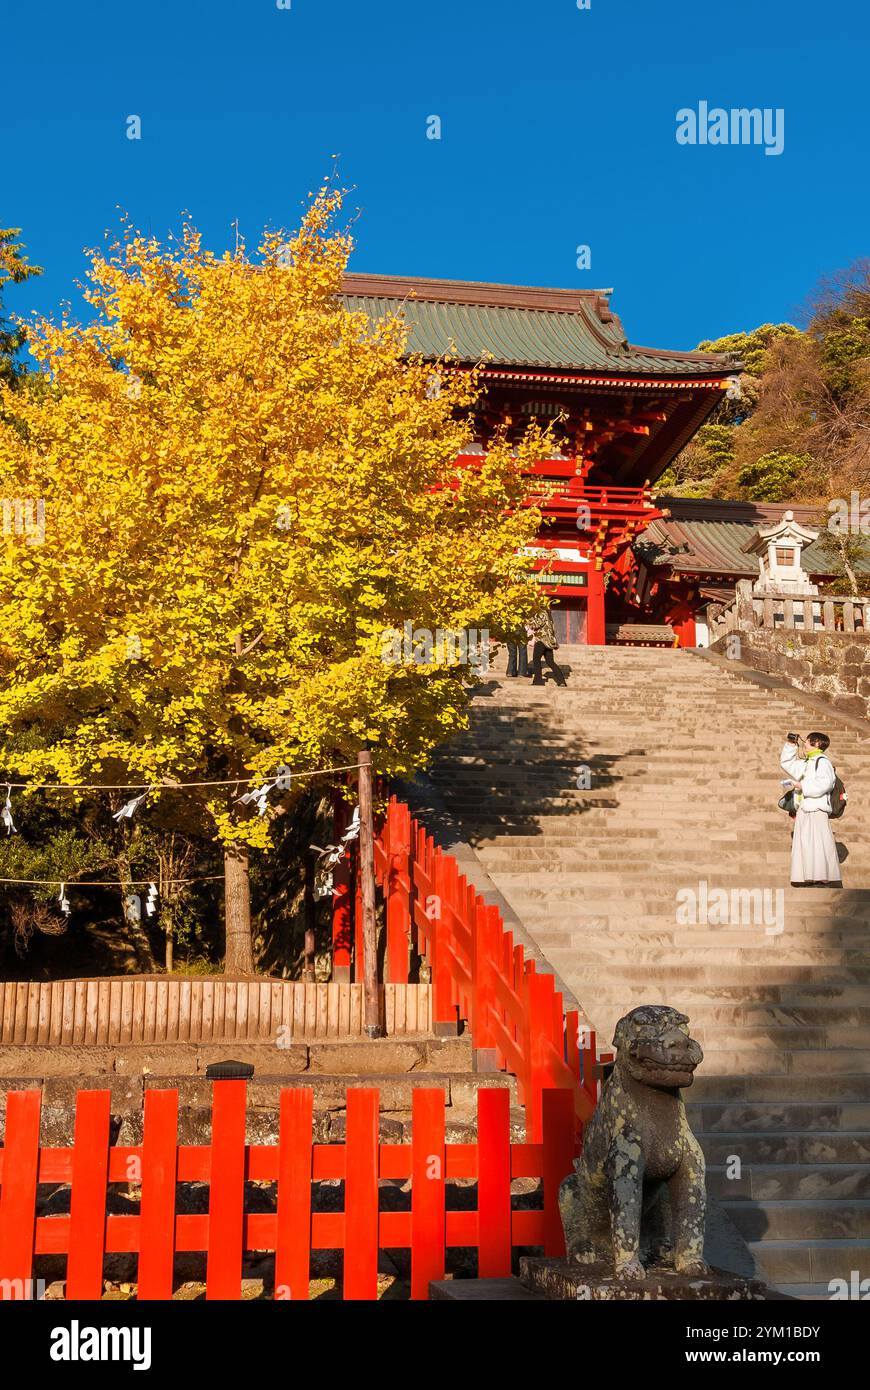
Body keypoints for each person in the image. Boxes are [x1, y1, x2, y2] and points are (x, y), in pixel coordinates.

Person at [779, 731, 842, 887]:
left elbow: (825, 784)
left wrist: (801, 785)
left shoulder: (822, 762)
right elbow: (788, 764)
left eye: (807, 742)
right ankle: (808, 875)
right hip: (805, 807)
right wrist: (791, 745)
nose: (804, 744)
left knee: (818, 843)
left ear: (817, 744)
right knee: (806, 843)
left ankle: (821, 875)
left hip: (817, 807)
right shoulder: (808, 762)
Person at [527, 609, 567, 687]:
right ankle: (561, 681)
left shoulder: (542, 613)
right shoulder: (549, 615)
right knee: (550, 661)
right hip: (549, 641)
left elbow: (536, 624)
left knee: (536, 659)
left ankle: (538, 680)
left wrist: (528, 621)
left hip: (542, 639)